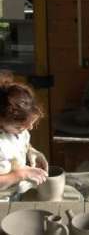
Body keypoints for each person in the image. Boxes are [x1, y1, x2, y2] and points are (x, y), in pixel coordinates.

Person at [0, 70, 48, 199]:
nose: (29, 128)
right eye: (20, 127)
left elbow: (18, 141)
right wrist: (20, 174)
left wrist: (31, 151)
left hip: (16, 194)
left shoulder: (15, 130)